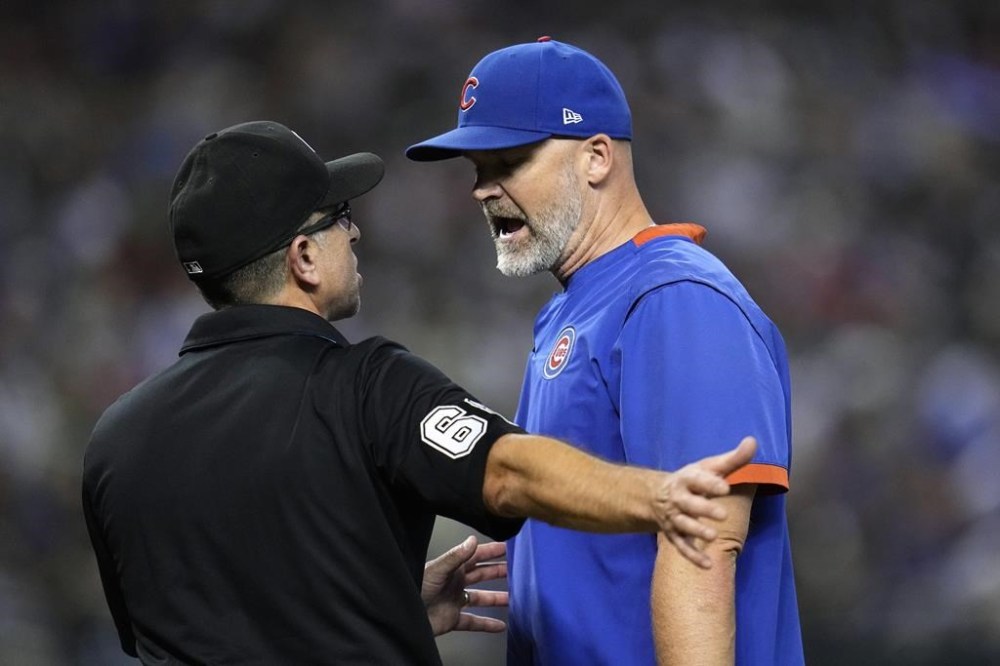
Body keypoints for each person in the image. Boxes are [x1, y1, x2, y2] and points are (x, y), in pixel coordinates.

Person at [81, 120, 758, 665]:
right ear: (303, 257)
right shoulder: (367, 387)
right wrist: (658, 497)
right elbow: (508, 472)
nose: (355, 230)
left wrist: (390, 608)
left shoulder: (114, 440)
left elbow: (193, 627)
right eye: (338, 215)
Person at [406, 37, 804, 664]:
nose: (484, 189)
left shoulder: (675, 298)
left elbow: (704, 543)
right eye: (477, 170)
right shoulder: (575, 309)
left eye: (509, 161)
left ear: (595, 157)